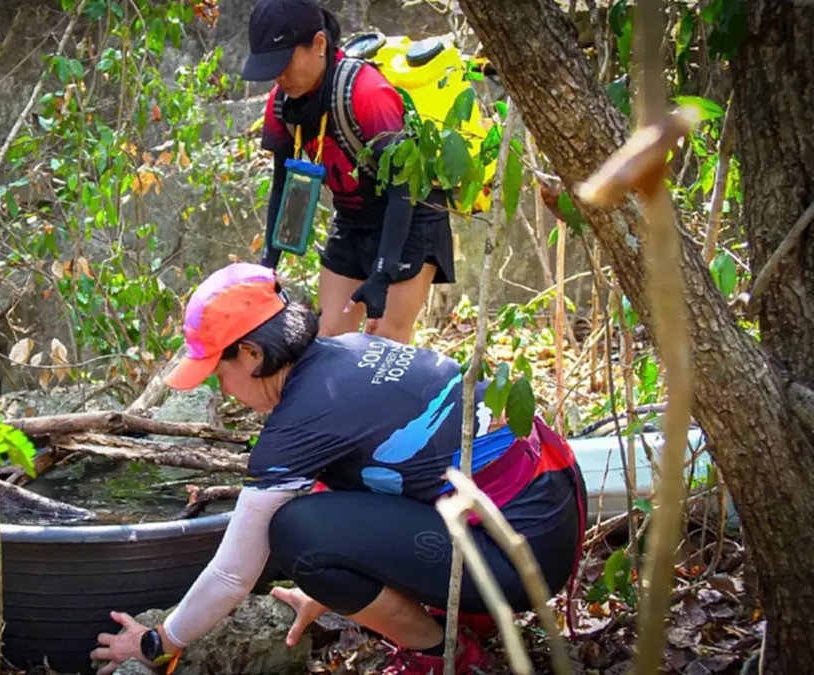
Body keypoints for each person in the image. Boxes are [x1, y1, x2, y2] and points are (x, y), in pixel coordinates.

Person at [90, 262, 587, 675]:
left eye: (220, 373)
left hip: (521, 560)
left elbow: (231, 574)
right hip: (551, 511)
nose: (222, 390)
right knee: (320, 504)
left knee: (295, 533)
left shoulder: (298, 422)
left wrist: (158, 642)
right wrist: (331, 593)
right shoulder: (348, 352)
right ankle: (466, 616)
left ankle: (445, 656)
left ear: (253, 354)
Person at [244, 0, 456, 345]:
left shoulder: (367, 93)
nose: (278, 76)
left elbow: (404, 187)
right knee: (325, 342)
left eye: (284, 62)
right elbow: (282, 183)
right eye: (270, 67)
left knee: (385, 341)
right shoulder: (280, 102)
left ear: (319, 44)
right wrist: (269, 262)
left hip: (412, 214)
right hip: (353, 218)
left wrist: (383, 273)